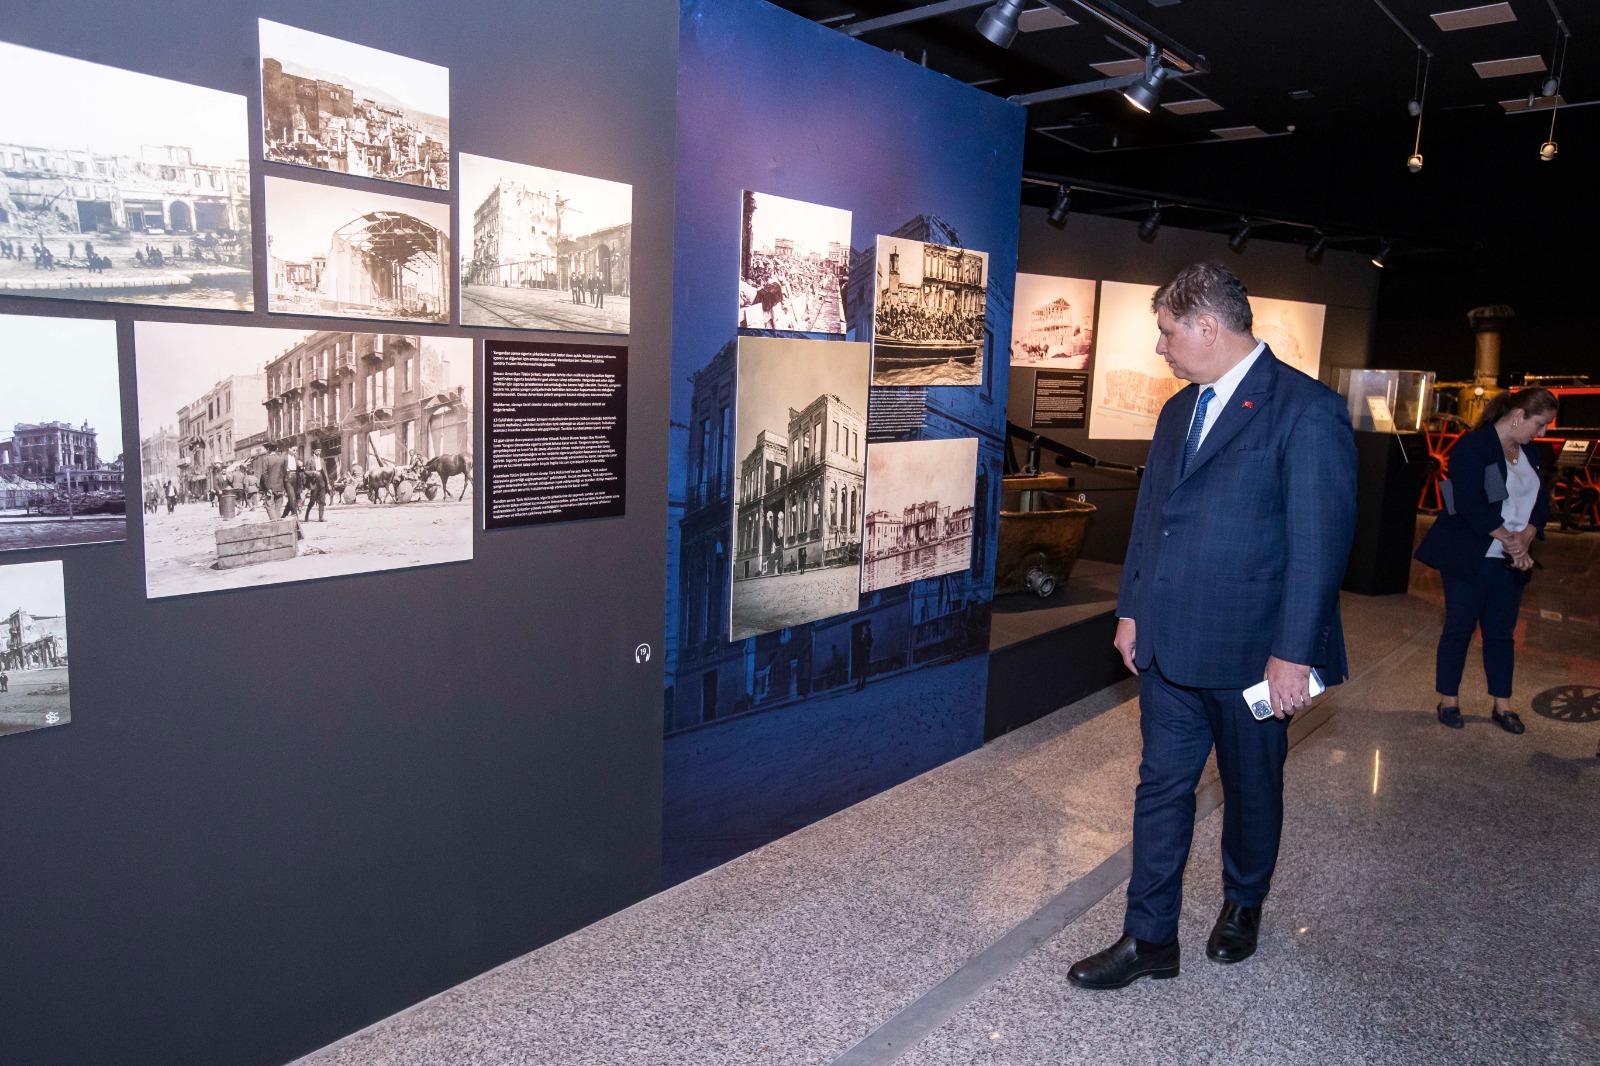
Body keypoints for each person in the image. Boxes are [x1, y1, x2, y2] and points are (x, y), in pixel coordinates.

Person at [1067, 263, 1357, 991]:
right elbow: (1152, 522)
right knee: (1160, 788)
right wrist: (1132, 608)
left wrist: (1293, 655)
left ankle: (1243, 903)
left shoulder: (1305, 411)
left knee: (1252, 791)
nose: (1160, 346)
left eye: (1168, 332)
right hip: (1169, 647)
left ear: (1207, 326)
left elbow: (1319, 548)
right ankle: (1149, 938)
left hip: (1252, 655)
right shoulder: (1178, 411)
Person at [1414, 388, 1557, 735]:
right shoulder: (1473, 446)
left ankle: (1502, 705)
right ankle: (1448, 700)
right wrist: (1509, 540)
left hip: (1510, 559)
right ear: (1519, 415)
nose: (1541, 433)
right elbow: (1469, 502)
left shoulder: (1531, 452)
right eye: (1539, 424)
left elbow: (1542, 500)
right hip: (1472, 553)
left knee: (1501, 633)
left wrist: (1526, 537)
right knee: (1459, 629)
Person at [258, 442, 289, 520]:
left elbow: (264, 474)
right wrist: (284, 486)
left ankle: (275, 522)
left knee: (270, 506)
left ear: (268, 449)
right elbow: (284, 473)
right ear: (277, 449)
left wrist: (267, 487)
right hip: (280, 486)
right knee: (278, 506)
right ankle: (279, 522)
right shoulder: (282, 459)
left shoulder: (266, 459)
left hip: (270, 487)